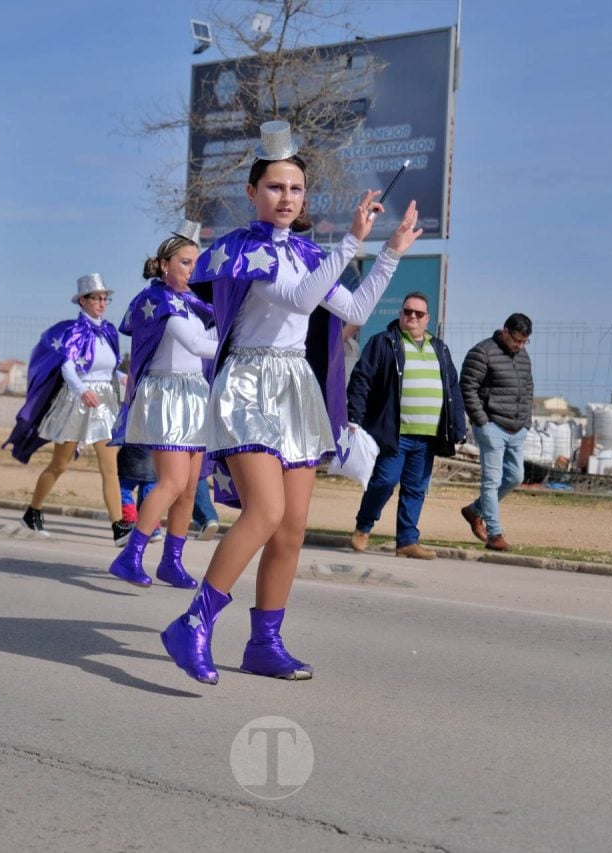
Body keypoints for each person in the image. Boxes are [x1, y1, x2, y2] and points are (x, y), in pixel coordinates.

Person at [160, 120, 423, 684]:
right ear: (253, 193)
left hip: (295, 390)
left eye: (297, 188)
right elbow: (303, 300)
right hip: (249, 383)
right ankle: (195, 624)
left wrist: (390, 252)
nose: (287, 197)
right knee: (266, 511)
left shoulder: (307, 252)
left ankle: (264, 642)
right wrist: (352, 241)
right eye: (275, 187)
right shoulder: (240, 250)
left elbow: (350, 311)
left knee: (292, 526)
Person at [106, 222, 218, 588]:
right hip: (167, 395)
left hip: (194, 394)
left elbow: (206, 340)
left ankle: (172, 561)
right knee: (170, 482)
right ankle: (130, 555)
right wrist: (242, 340)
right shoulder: (158, 301)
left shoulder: (194, 302)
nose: (191, 270)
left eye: (195, 264)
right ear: (164, 264)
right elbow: (199, 346)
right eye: (185, 262)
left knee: (189, 486)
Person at [3, 274, 125, 542]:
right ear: (82, 300)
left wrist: (121, 377)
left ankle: (119, 527)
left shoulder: (109, 332)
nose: (102, 303)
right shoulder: (73, 331)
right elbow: (68, 366)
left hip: (104, 402)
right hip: (77, 401)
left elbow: (109, 368)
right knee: (59, 464)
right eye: (97, 298)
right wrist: (82, 390)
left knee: (110, 467)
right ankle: (32, 511)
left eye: (105, 298)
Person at [347, 291, 466, 559]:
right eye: (407, 311)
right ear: (401, 314)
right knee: (385, 481)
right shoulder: (384, 343)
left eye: (418, 313)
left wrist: (458, 425)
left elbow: (453, 390)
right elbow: (361, 379)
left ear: (428, 319)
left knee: (415, 488)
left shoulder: (440, 348)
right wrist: (354, 415)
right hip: (394, 432)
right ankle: (363, 527)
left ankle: (407, 541)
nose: (412, 316)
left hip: (427, 436)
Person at [459, 312, 534, 552]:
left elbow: (528, 388)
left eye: (524, 342)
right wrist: (482, 422)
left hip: (517, 428)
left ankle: (474, 511)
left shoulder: (523, 356)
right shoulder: (482, 352)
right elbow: (467, 388)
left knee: (515, 477)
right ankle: (495, 534)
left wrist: (526, 422)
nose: (520, 346)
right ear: (505, 331)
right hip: (492, 427)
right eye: (517, 340)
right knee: (491, 481)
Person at [116, 443, 161, 545]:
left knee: (121, 490)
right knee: (149, 495)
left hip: (131, 458)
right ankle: (153, 527)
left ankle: (130, 521)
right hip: (152, 461)